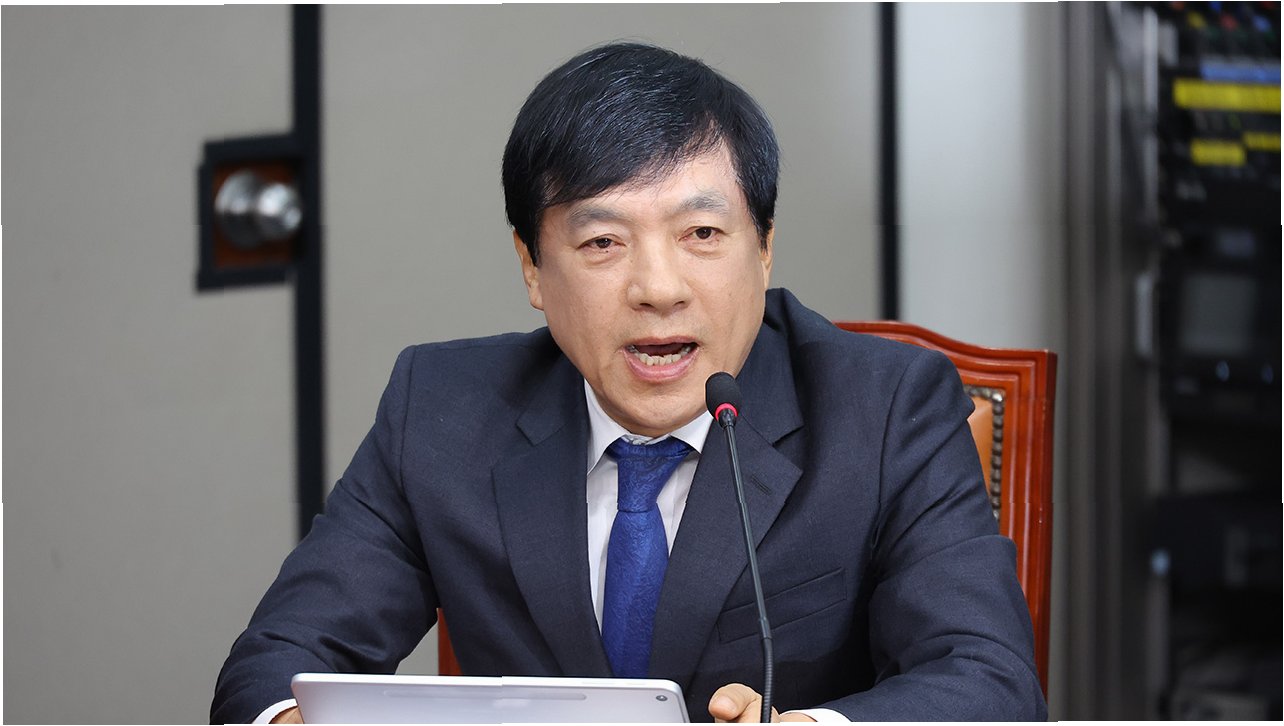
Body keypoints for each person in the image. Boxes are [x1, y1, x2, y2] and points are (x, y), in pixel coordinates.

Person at [212, 42, 1046, 724]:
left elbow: (989, 681)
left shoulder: (886, 407)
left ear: (763, 248)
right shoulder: (440, 410)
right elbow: (277, 661)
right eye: (603, 243)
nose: (658, 288)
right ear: (532, 268)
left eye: (702, 233)